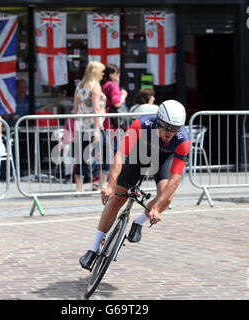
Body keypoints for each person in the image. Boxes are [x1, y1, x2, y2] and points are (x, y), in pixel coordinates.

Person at [79, 100, 190, 270]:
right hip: (140, 154)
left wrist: (157, 207)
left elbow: (175, 179)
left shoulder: (183, 140)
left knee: (167, 197)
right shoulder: (142, 124)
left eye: (174, 129)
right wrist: (110, 185)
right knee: (117, 198)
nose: (170, 133)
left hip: (164, 160)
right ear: (158, 121)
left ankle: (138, 222)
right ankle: (93, 249)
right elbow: (120, 155)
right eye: (166, 127)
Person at [73, 61, 111, 193]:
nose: (103, 74)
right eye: (102, 71)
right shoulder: (95, 87)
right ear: (95, 72)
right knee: (106, 154)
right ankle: (103, 184)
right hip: (95, 127)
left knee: (81, 158)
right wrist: (96, 130)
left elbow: (75, 109)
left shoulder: (79, 87)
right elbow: (96, 109)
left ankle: (79, 188)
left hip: (82, 127)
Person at [101, 63, 128, 130]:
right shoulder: (113, 85)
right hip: (114, 121)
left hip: (106, 118)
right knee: (117, 139)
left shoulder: (104, 86)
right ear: (110, 74)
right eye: (117, 72)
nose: (118, 75)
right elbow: (117, 103)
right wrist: (123, 95)